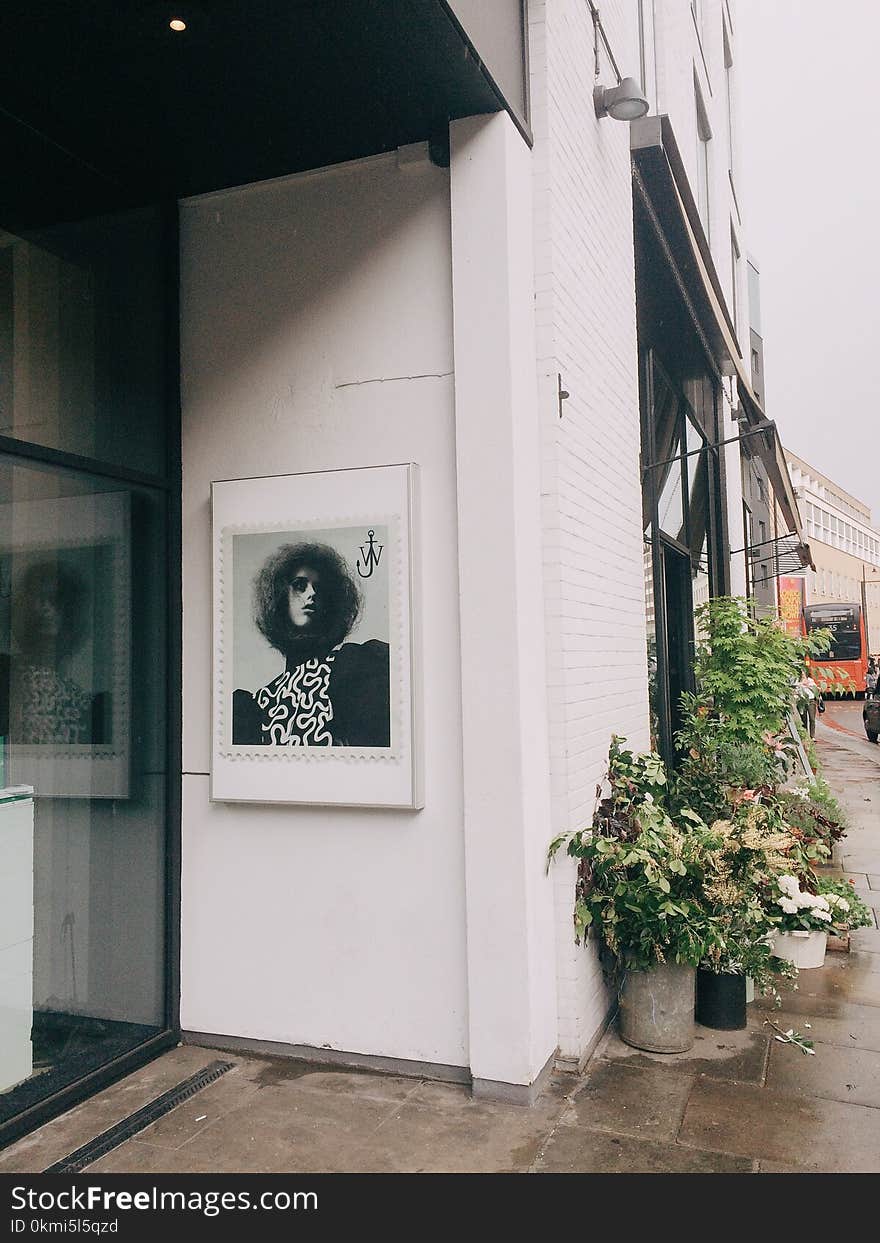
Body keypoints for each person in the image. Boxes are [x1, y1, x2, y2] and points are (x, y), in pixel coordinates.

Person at [232, 541, 390, 747]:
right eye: (300, 585)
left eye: (320, 587)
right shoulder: (254, 707)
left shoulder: (355, 667)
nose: (312, 593)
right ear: (280, 599)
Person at [794, 668, 819, 739]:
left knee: (812, 719)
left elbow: (815, 689)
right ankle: (805, 736)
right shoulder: (797, 681)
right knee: (803, 719)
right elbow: (795, 690)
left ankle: (812, 736)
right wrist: (801, 684)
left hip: (811, 701)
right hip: (802, 701)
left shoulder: (810, 680)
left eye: (803, 673)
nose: (802, 674)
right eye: (801, 673)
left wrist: (808, 685)